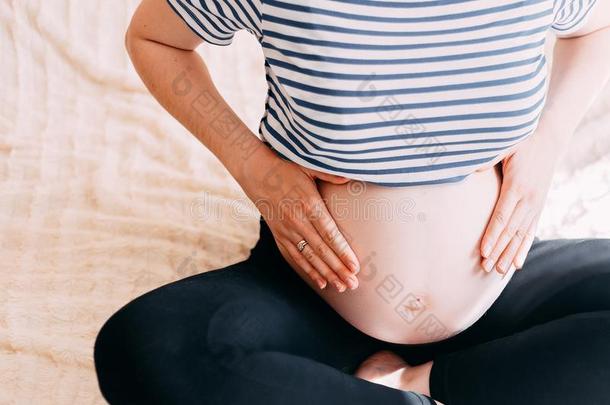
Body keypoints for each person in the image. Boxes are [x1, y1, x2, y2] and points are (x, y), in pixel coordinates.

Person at [94, 0, 610, 403]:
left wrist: (547, 143)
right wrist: (255, 168)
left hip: (502, 274)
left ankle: (423, 383)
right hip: (312, 285)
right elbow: (156, 39)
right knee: (148, 349)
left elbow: (597, 26)